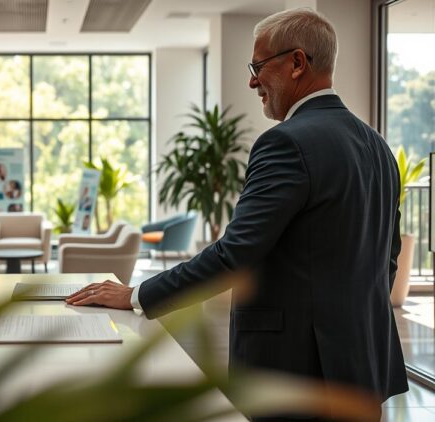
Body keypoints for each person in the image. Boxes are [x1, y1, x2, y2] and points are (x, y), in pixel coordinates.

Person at [66, 8, 407, 418]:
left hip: (296, 374)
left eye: (259, 66)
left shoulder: (286, 142)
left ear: (297, 63)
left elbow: (234, 254)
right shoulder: (378, 147)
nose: (252, 81)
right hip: (363, 367)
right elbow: (387, 259)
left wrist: (135, 294)